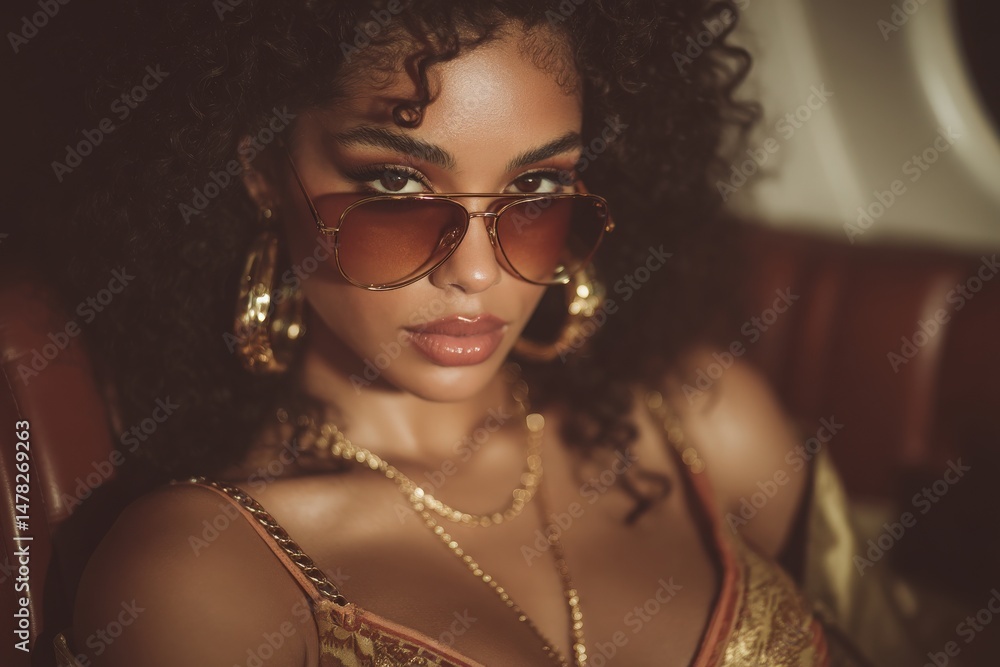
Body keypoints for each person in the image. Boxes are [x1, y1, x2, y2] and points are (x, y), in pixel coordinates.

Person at [41, 1, 908, 665]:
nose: (479, 271)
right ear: (263, 173)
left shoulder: (708, 423)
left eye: (534, 191)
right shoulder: (199, 574)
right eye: (396, 186)